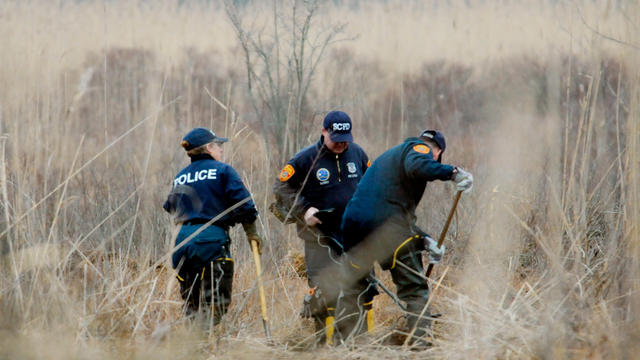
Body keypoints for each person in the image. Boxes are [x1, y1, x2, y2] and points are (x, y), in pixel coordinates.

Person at [337, 129, 473, 347]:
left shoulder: (389, 158)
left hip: (353, 227)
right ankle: (420, 342)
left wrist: (426, 241)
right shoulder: (418, 148)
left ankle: (350, 344)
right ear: (437, 151)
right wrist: (454, 173)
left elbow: (388, 210)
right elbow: (417, 166)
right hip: (386, 228)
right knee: (414, 287)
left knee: (355, 287)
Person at [272, 111, 375, 345]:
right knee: (323, 288)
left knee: (360, 286)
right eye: (335, 138)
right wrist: (304, 210)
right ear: (323, 131)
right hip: (320, 237)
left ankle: (356, 344)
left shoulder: (357, 153)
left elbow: (372, 183)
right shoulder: (305, 159)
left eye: (344, 138)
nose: (340, 144)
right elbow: (281, 188)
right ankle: (322, 344)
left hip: (353, 234)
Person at [163, 127, 262, 325]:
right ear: (208, 147)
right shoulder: (223, 170)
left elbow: (170, 207)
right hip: (211, 240)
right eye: (218, 145)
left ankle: (193, 345)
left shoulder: (181, 176)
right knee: (215, 302)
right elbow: (244, 205)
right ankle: (209, 346)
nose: (221, 149)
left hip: (181, 242)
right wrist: (252, 234)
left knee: (192, 302)